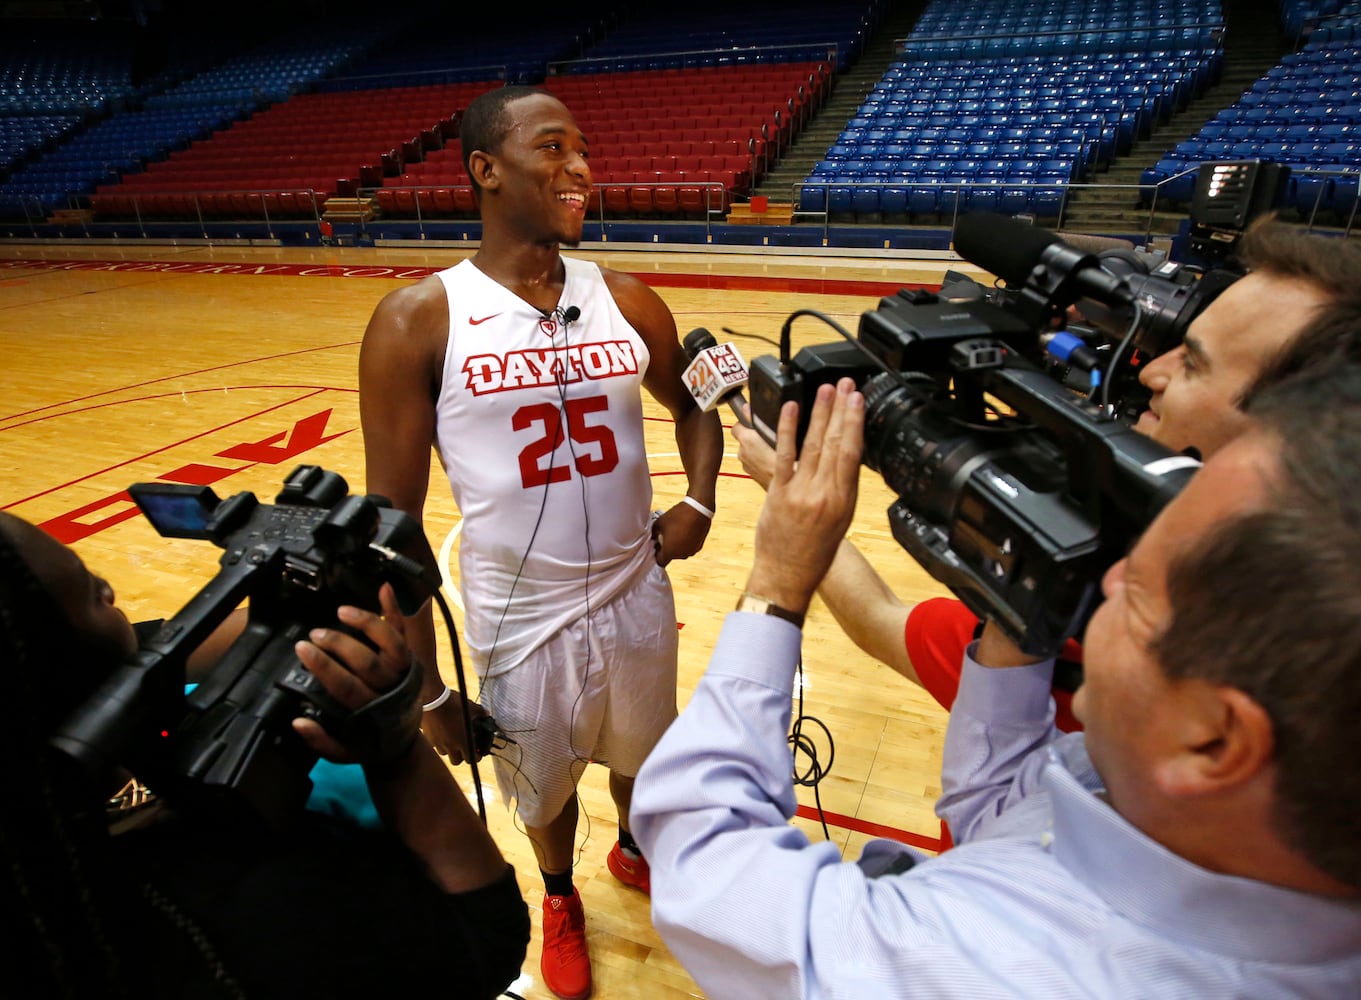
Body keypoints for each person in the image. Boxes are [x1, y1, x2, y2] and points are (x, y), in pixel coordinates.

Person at [631, 367, 1361, 998]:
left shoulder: (986, 967)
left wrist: (779, 576)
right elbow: (1004, 803)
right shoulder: (1207, 823)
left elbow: (699, 853)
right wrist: (1020, 605)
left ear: (1212, 738)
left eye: (1135, 588)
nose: (1105, 578)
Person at [357, 84, 723, 999]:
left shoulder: (630, 301)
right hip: (519, 614)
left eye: (583, 151)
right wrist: (427, 692)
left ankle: (637, 849)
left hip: (636, 590)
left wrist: (703, 505)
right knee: (542, 790)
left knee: (645, 756)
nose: (581, 170)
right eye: (553, 149)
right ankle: (558, 896)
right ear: (485, 169)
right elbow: (386, 534)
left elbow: (701, 407)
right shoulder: (418, 320)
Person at [732, 216, 1361, 734]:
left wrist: (789, 539)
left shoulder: (1100, 638)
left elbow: (877, 621)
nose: (1149, 373)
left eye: (1193, 364)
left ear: (1294, 432)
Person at [0, 511, 530, 998]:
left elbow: (166, 644)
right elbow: (488, 933)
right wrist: (397, 748)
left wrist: (309, 608)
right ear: (68, 683)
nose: (112, 587)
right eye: (94, 594)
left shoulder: (46, 755)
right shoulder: (257, 920)